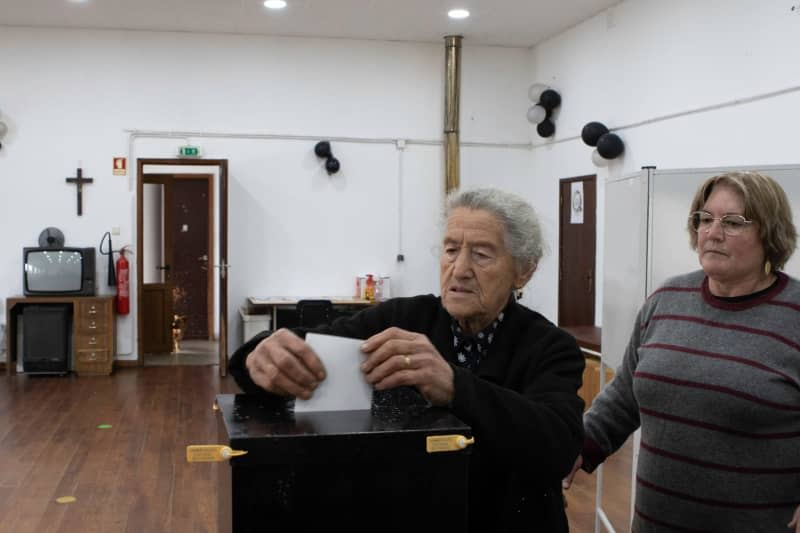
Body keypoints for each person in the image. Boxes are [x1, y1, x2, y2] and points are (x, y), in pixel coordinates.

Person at [229, 187, 585, 531]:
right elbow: (306, 348)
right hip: (411, 513)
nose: (459, 269)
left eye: (481, 254)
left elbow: (557, 447)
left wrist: (454, 386)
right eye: (450, 250)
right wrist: (258, 354)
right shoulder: (400, 319)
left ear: (524, 270)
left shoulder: (551, 347)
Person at [562, 171, 800, 531]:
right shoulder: (667, 299)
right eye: (704, 219)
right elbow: (624, 397)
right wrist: (575, 447)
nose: (712, 233)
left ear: (770, 231)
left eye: (733, 222)